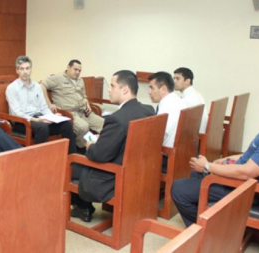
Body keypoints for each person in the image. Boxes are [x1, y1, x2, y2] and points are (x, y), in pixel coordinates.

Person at [171, 85, 259, 227]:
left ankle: (207, 233)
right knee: (196, 175)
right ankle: (213, 219)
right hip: (246, 182)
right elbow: (252, 155)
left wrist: (207, 166)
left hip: (248, 190)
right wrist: (226, 160)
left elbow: (246, 172)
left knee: (179, 189)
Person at [70, 70, 155, 222]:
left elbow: (98, 155)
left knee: (70, 164)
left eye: (113, 85)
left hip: (112, 176)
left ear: (125, 89)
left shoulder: (117, 119)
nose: (109, 89)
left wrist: (90, 145)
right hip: (138, 171)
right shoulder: (148, 110)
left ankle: (83, 208)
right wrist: (103, 139)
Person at [6, 56, 77, 154]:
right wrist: (36, 120)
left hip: (40, 118)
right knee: (42, 127)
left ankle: (71, 159)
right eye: (22, 69)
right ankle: (40, 160)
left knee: (66, 124)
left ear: (31, 69)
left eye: (27, 68)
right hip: (22, 122)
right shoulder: (12, 88)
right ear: (17, 70)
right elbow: (16, 113)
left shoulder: (37, 86)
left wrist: (52, 117)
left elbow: (44, 107)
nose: (25, 72)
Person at [41, 59, 104, 150]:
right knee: (83, 127)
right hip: (69, 113)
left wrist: (87, 103)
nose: (78, 72)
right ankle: (84, 151)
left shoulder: (80, 81)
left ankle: (100, 147)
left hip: (83, 111)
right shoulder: (57, 78)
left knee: (103, 123)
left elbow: (84, 95)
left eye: (79, 71)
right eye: (75, 69)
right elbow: (42, 85)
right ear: (68, 67)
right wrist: (49, 104)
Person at [148, 72, 187, 172]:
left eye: (152, 88)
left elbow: (160, 136)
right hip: (181, 154)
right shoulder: (178, 100)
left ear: (163, 89)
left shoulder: (166, 107)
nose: (149, 92)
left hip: (167, 157)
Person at [173, 67, 208, 133]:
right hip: (198, 133)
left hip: (195, 136)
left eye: (178, 79)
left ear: (187, 81)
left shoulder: (189, 99)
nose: (174, 81)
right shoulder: (195, 94)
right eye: (174, 78)